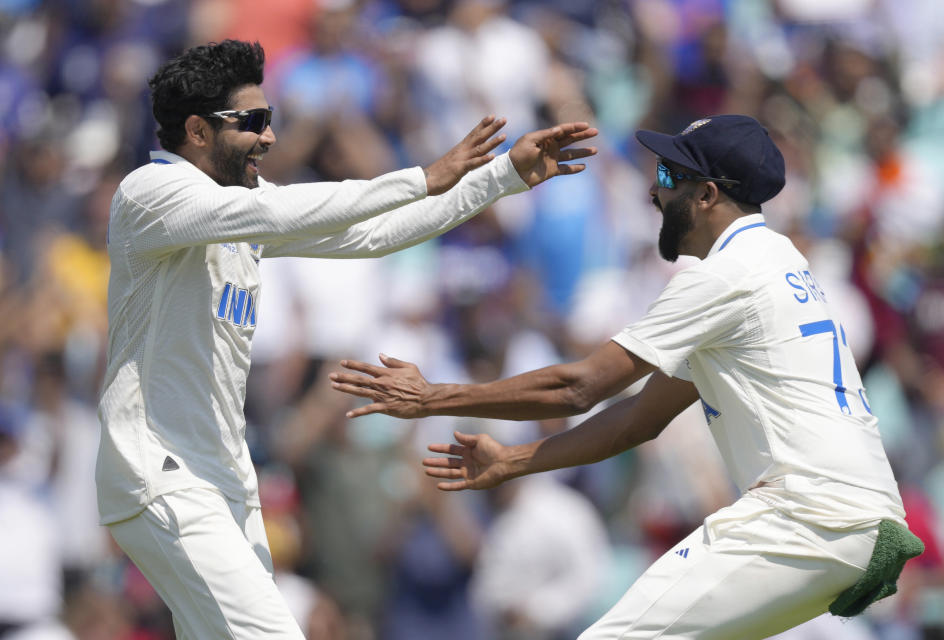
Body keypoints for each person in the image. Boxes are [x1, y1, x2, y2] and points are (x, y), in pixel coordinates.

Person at [330, 114, 924, 639]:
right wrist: (516, 460)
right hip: (854, 522)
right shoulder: (779, 260)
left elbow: (581, 387)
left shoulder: (722, 277)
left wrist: (434, 397)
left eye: (669, 178)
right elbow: (640, 418)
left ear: (708, 195)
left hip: (807, 518)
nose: (652, 190)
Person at [96, 39, 597, 640]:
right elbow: (289, 216)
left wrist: (500, 178)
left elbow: (370, 235)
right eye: (252, 122)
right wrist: (421, 176)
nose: (270, 138)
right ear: (198, 131)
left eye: (270, 120)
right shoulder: (151, 195)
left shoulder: (241, 204)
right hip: (163, 472)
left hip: (224, 477)